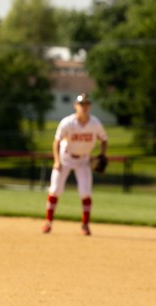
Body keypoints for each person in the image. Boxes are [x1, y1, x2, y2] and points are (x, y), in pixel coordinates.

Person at [42, 93, 108, 236]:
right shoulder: (67, 123)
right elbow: (56, 142)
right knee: (55, 190)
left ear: (89, 106)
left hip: (83, 160)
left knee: (86, 192)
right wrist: (57, 161)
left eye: (86, 104)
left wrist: (102, 154)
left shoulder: (95, 123)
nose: (83, 107)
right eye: (81, 104)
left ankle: (85, 225)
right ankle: (48, 222)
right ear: (75, 106)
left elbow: (104, 139)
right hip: (65, 158)